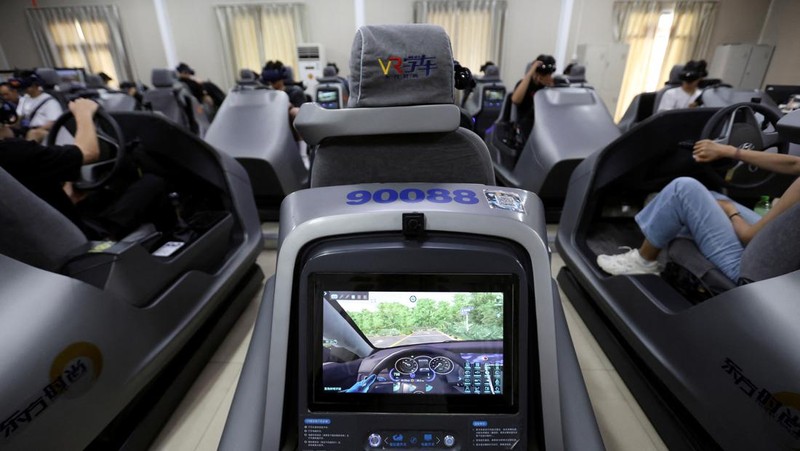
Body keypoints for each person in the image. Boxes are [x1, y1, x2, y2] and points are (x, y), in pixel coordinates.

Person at [596, 139, 800, 282]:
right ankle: (667, 222)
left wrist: (731, 211)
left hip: (754, 273)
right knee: (713, 198)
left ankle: (644, 261)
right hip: (782, 266)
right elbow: (794, 163)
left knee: (683, 190)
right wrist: (729, 151)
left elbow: (749, 236)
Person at [0, 98, 166, 240]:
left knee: (100, 193)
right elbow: (88, 152)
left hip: (44, 237)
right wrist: (84, 113)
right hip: (81, 238)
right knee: (153, 182)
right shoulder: (13, 152)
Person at [510, 54, 556, 144]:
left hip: (543, 123)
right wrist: (530, 73)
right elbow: (515, 100)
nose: (549, 77)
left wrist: (551, 87)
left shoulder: (549, 86)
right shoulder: (524, 84)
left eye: (550, 75)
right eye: (547, 75)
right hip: (526, 124)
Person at [13, 72, 64, 142]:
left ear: (34, 86)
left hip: (45, 131)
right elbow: (18, 116)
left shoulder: (50, 101)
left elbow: (54, 122)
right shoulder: (24, 99)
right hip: (26, 129)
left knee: (33, 133)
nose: (24, 89)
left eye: (27, 87)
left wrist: (38, 129)